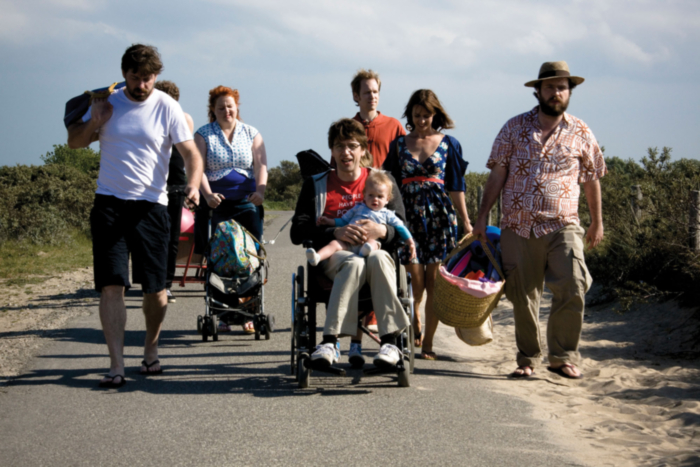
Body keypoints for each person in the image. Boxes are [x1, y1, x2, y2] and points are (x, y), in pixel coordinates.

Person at [67, 44, 203, 388]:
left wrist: (194, 184)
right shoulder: (106, 101)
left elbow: (191, 154)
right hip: (110, 204)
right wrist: (95, 123)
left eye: (148, 78)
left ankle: (150, 348)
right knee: (112, 285)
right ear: (124, 74)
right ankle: (116, 364)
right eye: (135, 78)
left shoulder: (168, 106)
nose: (142, 84)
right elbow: (75, 143)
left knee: (155, 290)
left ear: (155, 76)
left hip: (151, 207)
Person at [472, 61, 606, 379]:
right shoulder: (513, 127)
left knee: (574, 284)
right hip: (518, 225)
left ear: (569, 92)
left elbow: (591, 179)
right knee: (523, 295)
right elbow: (497, 174)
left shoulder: (581, 131)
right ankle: (528, 359)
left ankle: (562, 356)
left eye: (562, 87)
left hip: (564, 223)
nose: (556, 92)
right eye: (549, 87)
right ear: (538, 91)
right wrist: (481, 218)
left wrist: (597, 221)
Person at [290, 118, 411, 369]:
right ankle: (330, 342)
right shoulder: (316, 184)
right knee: (354, 263)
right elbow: (297, 230)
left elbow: (401, 228)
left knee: (375, 258)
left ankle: (389, 343)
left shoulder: (382, 181)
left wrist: (382, 230)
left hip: (377, 257)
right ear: (331, 151)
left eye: (352, 146)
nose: (346, 152)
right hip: (339, 259)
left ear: (363, 150)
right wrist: (335, 232)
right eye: (339, 146)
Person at [383, 89, 471, 359]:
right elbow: (389, 183)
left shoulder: (449, 143)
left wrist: (466, 222)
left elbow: (456, 186)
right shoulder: (398, 145)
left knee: (434, 282)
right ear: (410, 114)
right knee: (414, 281)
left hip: (440, 218)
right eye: (417, 115)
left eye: (426, 115)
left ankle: (429, 343)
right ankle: (415, 312)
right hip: (407, 217)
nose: (421, 120)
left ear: (435, 114)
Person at [194, 85, 268, 334]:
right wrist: (207, 194)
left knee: (250, 258)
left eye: (230, 106)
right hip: (217, 206)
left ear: (237, 107)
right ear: (212, 111)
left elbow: (261, 166)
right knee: (220, 258)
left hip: (247, 203)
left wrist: (260, 191)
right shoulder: (204, 134)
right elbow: (198, 169)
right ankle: (222, 314)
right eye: (220, 107)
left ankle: (250, 312)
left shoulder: (252, 133)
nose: (226, 110)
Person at [348, 68, 406, 354]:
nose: (371, 96)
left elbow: (401, 168)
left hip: (385, 205)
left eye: (375, 91)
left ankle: (387, 323)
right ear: (356, 96)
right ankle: (360, 321)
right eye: (366, 92)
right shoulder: (349, 127)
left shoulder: (393, 126)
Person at [307, 170, 416, 265]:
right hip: (349, 242)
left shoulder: (387, 214)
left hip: (369, 241)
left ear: (387, 199)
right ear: (364, 195)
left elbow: (400, 226)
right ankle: (317, 257)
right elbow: (343, 221)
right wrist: (328, 221)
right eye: (371, 195)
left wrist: (410, 241)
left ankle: (363, 253)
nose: (375, 199)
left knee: (373, 244)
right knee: (334, 244)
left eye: (380, 196)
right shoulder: (358, 207)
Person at [154, 80, 195, 304]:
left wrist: (193, 185)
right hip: (152, 184)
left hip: (176, 183)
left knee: (172, 237)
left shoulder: (184, 118)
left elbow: (189, 154)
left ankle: (166, 284)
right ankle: (151, 281)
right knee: (153, 235)